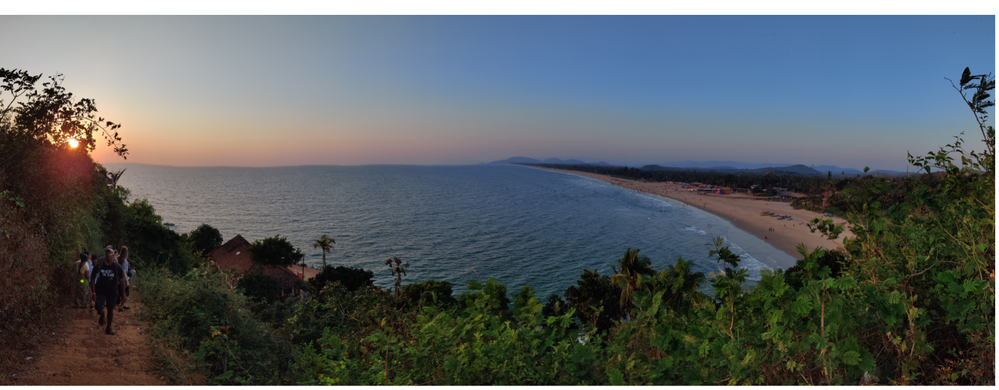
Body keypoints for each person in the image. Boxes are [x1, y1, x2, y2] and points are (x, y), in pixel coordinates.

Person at [91, 246, 127, 335]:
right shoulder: (99, 265)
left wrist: (123, 294)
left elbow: (122, 280)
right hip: (101, 291)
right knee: (99, 307)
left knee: (110, 309)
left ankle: (108, 328)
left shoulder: (117, 266)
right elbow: (92, 278)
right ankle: (102, 315)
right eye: (107, 252)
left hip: (112, 291)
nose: (108, 255)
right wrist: (93, 292)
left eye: (110, 253)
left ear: (114, 255)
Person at [117, 246, 132, 311]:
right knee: (125, 293)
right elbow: (124, 271)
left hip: (118, 278)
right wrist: (127, 280)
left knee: (120, 292)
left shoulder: (118, 258)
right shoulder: (124, 260)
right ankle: (122, 305)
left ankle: (122, 304)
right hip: (123, 278)